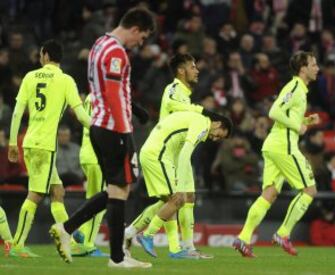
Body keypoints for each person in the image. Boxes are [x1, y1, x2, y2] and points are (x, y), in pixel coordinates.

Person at [49, 7, 156, 269]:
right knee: (121, 189)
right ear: (134, 29)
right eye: (141, 37)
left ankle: (67, 228)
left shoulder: (100, 43)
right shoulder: (116, 52)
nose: (139, 43)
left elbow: (112, 90)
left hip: (99, 125)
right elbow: (111, 93)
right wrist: (124, 131)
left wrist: (136, 110)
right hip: (113, 128)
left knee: (115, 190)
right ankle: (117, 258)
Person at [124, 53, 216, 259]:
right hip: (168, 152)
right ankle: (170, 245)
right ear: (181, 71)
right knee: (175, 200)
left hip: (177, 151)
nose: (197, 70)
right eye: (192, 67)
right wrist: (204, 113)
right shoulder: (173, 89)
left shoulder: (185, 93)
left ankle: (184, 247)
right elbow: (183, 110)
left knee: (185, 198)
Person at [233, 51, 320, 257]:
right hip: (284, 146)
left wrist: (305, 121)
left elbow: (286, 117)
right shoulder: (295, 87)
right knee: (309, 190)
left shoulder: (298, 89)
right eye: (313, 64)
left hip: (274, 145)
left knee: (269, 194)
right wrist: (298, 127)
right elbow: (274, 112)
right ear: (303, 68)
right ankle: (283, 233)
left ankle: (243, 238)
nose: (317, 68)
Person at [7, 39, 91, 257]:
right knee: (35, 194)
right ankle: (17, 245)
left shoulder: (30, 77)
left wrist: (12, 142)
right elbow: (81, 116)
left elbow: (17, 112)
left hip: (30, 141)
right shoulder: (66, 80)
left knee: (57, 192)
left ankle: (69, 240)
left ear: (44, 55)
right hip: (45, 146)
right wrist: (102, 128)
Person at [135, 111, 232, 258]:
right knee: (178, 199)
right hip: (158, 155)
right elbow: (185, 153)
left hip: (156, 153)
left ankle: (176, 249)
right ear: (217, 123)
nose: (215, 139)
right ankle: (146, 235)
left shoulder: (196, 120)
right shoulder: (202, 125)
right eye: (219, 134)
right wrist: (180, 186)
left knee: (170, 202)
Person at [70, 95, 107, 257]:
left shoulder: (92, 95)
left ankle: (80, 235)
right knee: (100, 202)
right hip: (98, 155)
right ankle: (89, 245)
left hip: (86, 152)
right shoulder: (106, 95)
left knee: (92, 199)